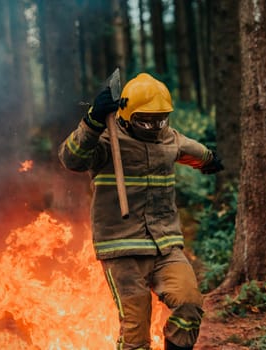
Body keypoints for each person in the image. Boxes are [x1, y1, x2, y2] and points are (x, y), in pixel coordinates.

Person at [58, 72, 224, 350]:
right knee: (135, 336)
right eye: (145, 120)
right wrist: (92, 121)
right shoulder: (106, 143)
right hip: (122, 250)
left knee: (190, 305)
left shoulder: (168, 138)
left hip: (166, 247)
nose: (153, 126)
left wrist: (207, 160)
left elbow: (191, 148)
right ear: (125, 115)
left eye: (160, 119)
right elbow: (71, 158)